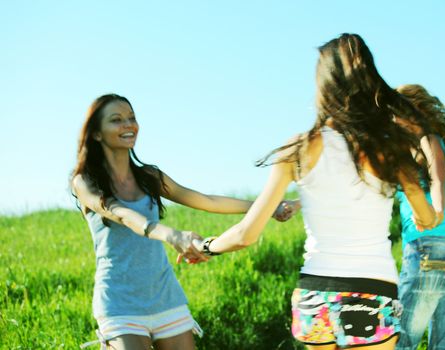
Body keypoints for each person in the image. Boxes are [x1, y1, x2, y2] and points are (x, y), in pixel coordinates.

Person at [194, 34, 438, 350]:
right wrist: (425, 217)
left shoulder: (299, 148)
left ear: (323, 85)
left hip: (317, 291)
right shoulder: (391, 148)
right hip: (374, 288)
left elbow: (246, 234)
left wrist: (207, 246)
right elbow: (427, 218)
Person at [71, 94, 294, 350]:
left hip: (166, 299)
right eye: (117, 120)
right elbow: (121, 214)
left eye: (132, 118)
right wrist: (172, 235)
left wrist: (268, 207)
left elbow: (207, 201)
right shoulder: (85, 182)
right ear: (97, 134)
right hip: (120, 304)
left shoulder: (149, 177)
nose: (128, 125)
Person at [393, 84, 445, 350]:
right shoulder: (409, 152)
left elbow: (438, 180)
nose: (390, 118)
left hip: (427, 253)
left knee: (401, 344)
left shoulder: (428, 140)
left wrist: (435, 212)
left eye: (395, 111)